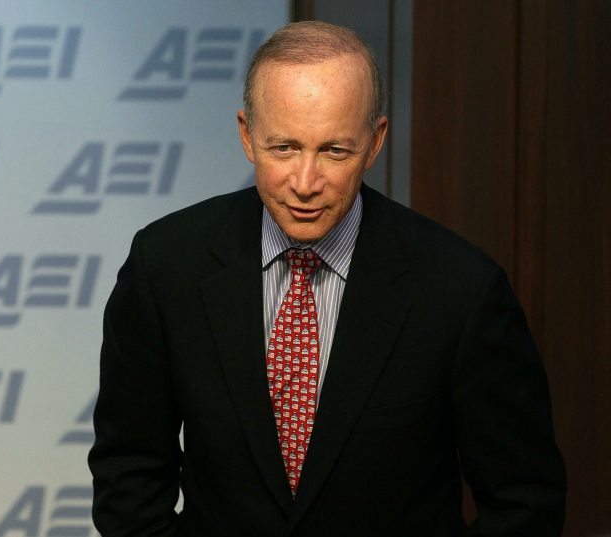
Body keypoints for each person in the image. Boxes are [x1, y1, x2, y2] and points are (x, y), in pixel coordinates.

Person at [88, 21, 566, 536]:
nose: (305, 183)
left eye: (334, 151)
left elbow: (524, 502)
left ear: (375, 141)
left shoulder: (460, 290)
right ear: (247, 135)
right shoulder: (165, 266)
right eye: (284, 148)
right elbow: (129, 477)